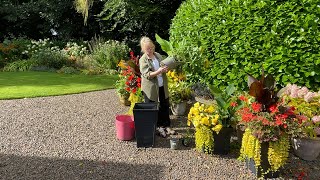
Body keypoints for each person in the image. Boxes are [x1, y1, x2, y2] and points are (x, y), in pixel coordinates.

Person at [139, 36, 175, 138]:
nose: (150, 50)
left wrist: (166, 69)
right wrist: (159, 71)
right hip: (150, 88)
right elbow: (147, 74)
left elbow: (164, 66)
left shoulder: (158, 55)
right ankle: (157, 127)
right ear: (143, 49)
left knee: (164, 104)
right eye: (147, 49)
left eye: (151, 48)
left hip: (161, 85)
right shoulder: (143, 60)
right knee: (153, 107)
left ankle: (167, 125)